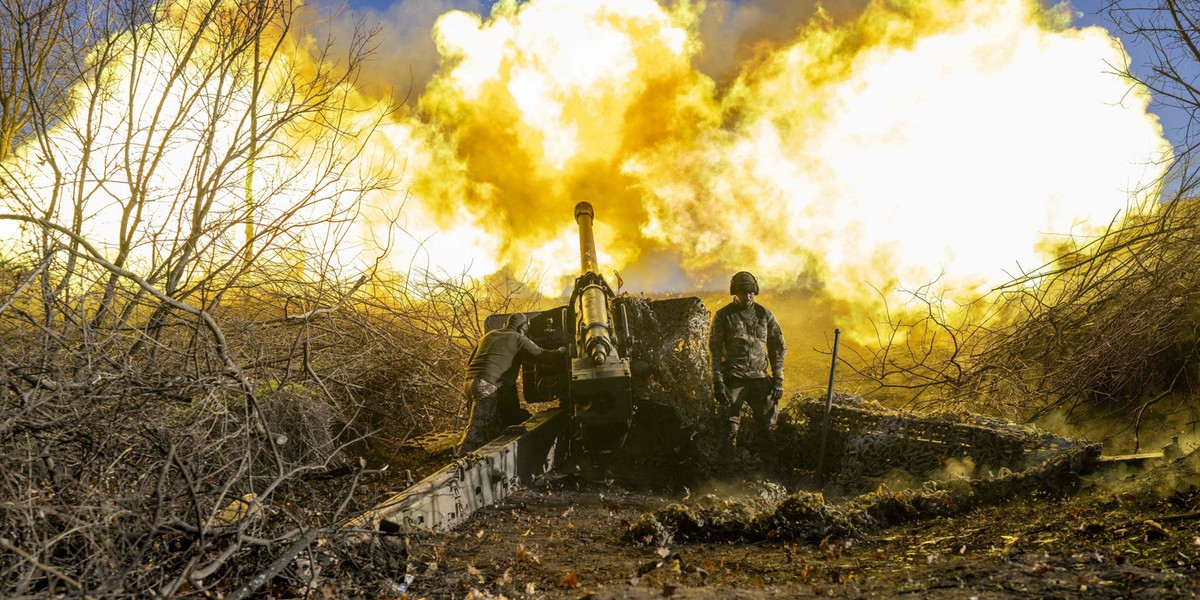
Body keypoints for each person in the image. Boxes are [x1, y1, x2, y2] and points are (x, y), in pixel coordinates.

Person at [458, 313, 566, 456]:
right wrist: (560, 351)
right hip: (487, 385)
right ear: (523, 327)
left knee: (493, 422)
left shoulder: (489, 335)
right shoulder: (518, 338)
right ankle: (460, 457)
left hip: (469, 382)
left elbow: (470, 361)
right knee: (478, 425)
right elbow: (542, 356)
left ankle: (483, 454)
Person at [709, 271, 787, 465]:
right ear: (735, 293)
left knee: (769, 426)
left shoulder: (764, 314)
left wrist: (778, 379)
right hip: (734, 378)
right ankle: (726, 475)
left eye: (751, 292)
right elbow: (715, 351)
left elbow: (778, 347)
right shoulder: (723, 316)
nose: (747, 296)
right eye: (743, 293)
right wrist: (718, 382)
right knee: (729, 427)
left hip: (760, 378)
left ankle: (770, 470)